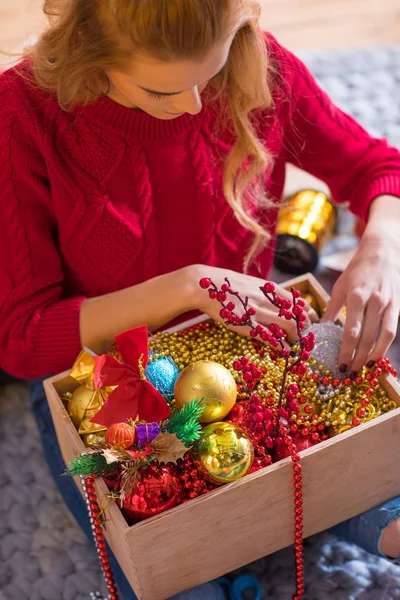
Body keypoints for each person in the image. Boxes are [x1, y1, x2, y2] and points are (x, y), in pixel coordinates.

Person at [0, 0, 399, 598]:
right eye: (162, 91)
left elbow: (377, 168)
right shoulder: (21, 113)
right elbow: (24, 341)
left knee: (371, 484)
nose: (193, 106)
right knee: (168, 566)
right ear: (88, 45)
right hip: (104, 380)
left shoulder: (261, 68)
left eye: (209, 74)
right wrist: (189, 286)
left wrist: (382, 247)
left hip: (259, 352)